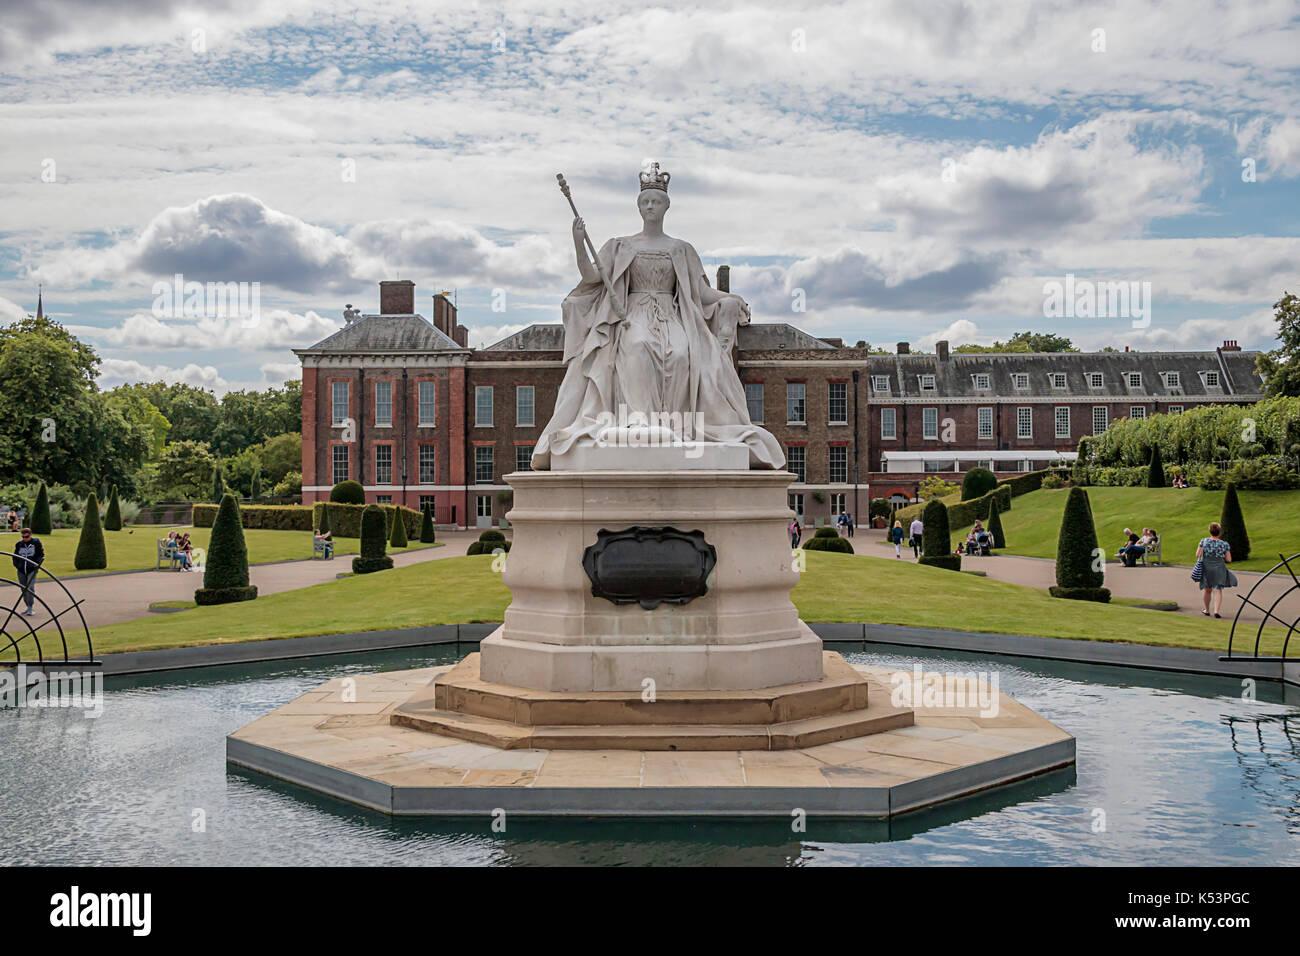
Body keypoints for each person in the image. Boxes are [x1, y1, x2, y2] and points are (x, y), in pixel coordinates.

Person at [1196, 521, 1236, 618]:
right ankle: (1216, 611)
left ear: (1210, 531)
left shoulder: (1204, 541)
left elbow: (1198, 554)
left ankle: (1207, 610)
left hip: (1206, 567)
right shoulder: (1224, 544)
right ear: (1219, 532)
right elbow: (1229, 559)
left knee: (1207, 590)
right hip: (1219, 568)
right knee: (1217, 590)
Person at [12, 527, 44, 616]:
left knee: (30, 588)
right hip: (21, 570)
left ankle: (30, 607)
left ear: (30, 535)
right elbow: (15, 556)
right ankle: (27, 606)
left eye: (26, 537)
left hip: (32, 570)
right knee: (23, 589)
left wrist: (35, 564)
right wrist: (17, 565)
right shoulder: (19, 544)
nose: (24, 539)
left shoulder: (36, 543)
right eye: (22, 537)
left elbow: (41, 555)